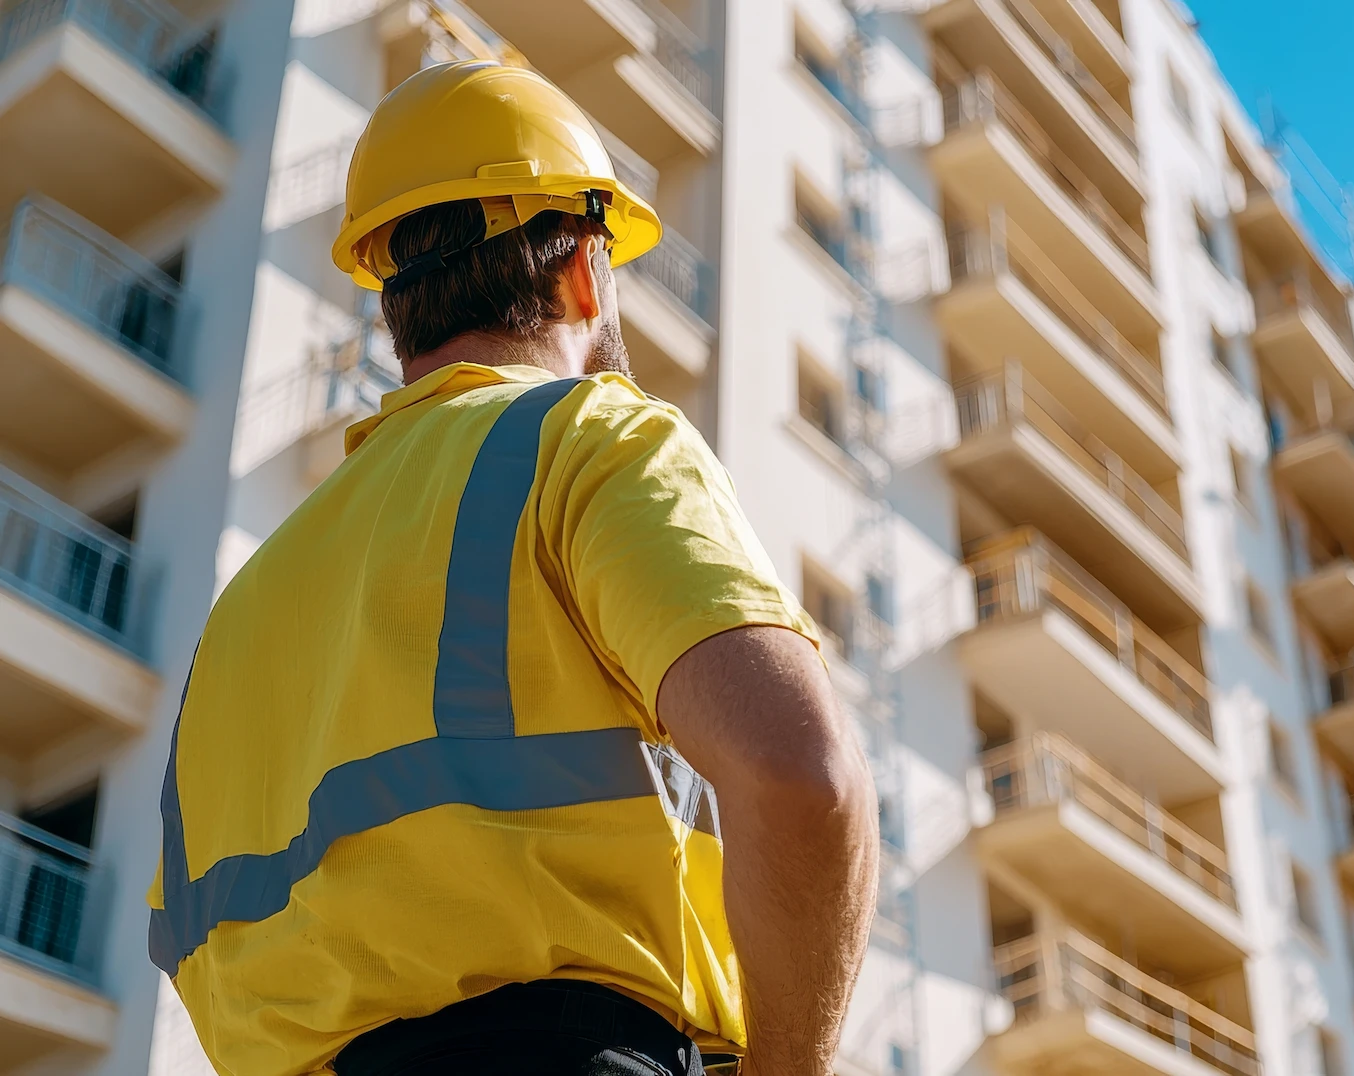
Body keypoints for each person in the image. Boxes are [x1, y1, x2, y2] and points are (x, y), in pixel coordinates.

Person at [148, 60, 878, 1076]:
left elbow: (190, 955)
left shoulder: (243, 605)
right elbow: (808, 777)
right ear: (585, 267)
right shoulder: (586, 441)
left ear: (393, 305)